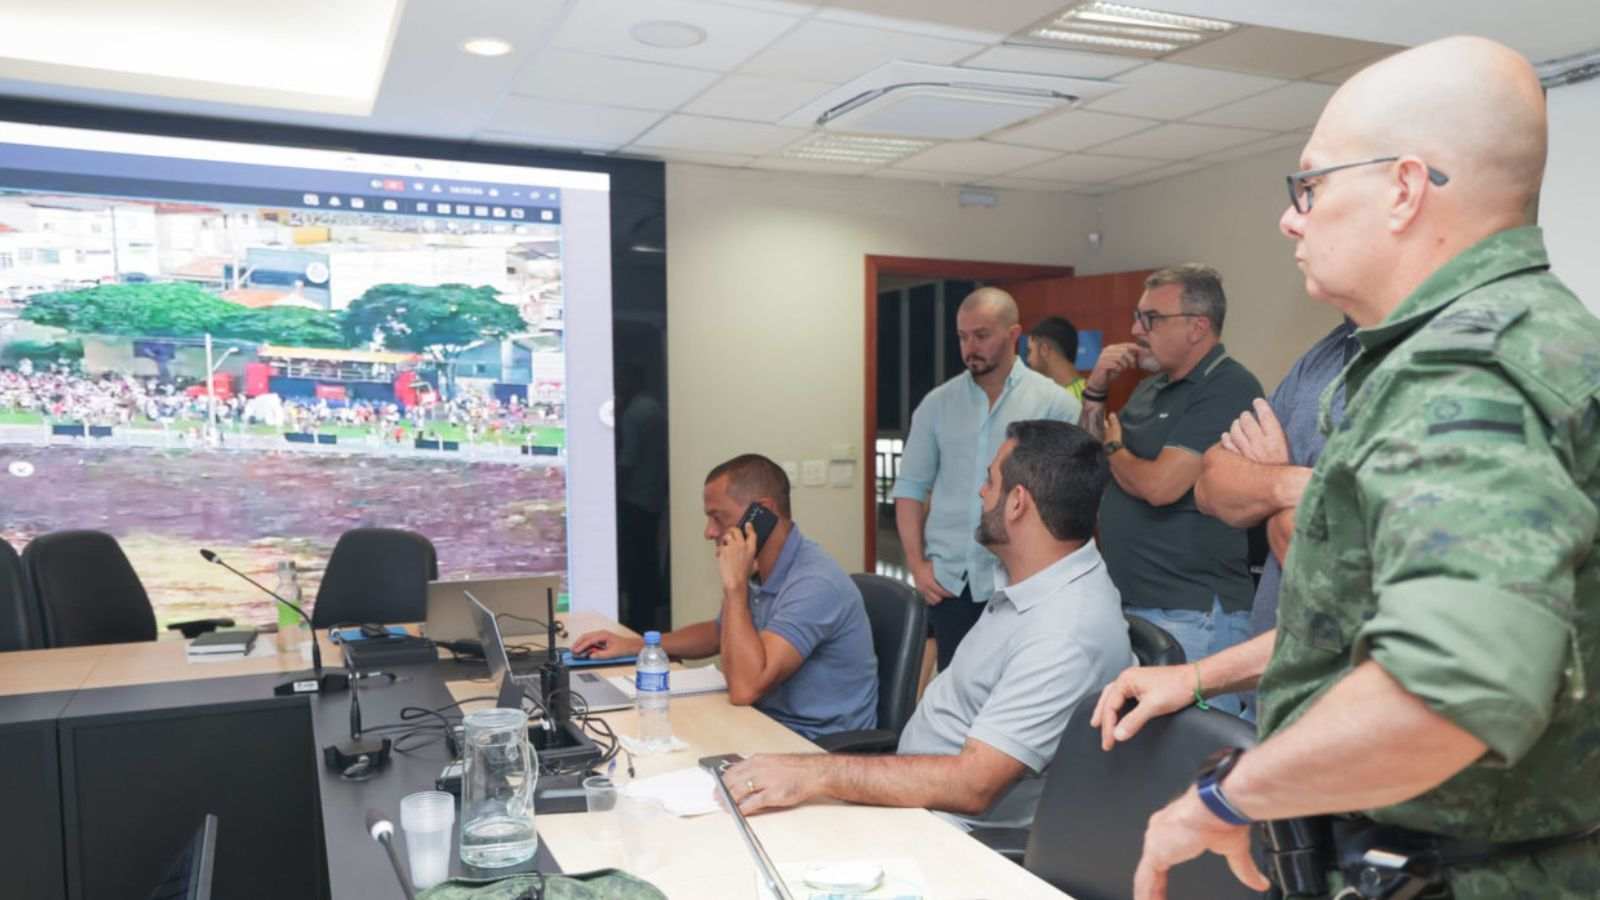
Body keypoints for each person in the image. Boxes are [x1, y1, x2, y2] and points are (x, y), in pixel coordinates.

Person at [1096, 36, 1600, 900]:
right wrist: (1202, 675)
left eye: (1311, 186)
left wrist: (1222, 798)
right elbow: (1374, 625)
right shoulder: (1439, 354)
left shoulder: (1467, 373)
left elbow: (1447, 688)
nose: (1292, 217)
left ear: (1404, 189)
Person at [721, 421, 1130, 831]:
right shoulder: (1030, 583)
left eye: (990, 480)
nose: (981, 492)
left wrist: (815, 773)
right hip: (916, 802)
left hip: (949, 835)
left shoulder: (1064, 632)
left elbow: (973, 786)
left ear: (1017, 503)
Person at [573, 454, 877, 741]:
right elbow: (722, 633)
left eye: (718, 518)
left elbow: (745, 688)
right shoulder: (763, 567)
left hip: (813, 744)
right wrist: (636, 645)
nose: (709, 531)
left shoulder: (815, 583)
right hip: (765, 724)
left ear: (764, 513)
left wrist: (735, 587)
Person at [1080, 265, 1264, 678]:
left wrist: (1115, 447)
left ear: (1197, 327)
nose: (1136, 329)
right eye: (1137, 317)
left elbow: (1161, 486)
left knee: (1193, 742)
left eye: (1151, 319)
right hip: (1131, 601)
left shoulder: (1229, 386)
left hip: (1191, 614)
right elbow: (1090, 458)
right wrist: (1096, 390)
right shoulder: (1151, 387)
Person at [892, 287, 1080, 670]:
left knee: (1017, 690)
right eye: (962, 337)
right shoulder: (937, 404)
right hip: (951, 581)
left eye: (981, 336)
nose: (969, 348)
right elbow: (911, 487)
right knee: (954, 692)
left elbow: (1065, 499)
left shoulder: (1054, 404)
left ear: (1014, 335)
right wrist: (916, 563)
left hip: (1022, 581)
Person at [1026, 315, 1089, 402]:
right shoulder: (1047, 394)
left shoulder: (1082, 397)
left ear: (1044, 350)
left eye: (1030, 351)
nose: (1028, 359)